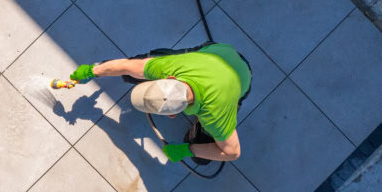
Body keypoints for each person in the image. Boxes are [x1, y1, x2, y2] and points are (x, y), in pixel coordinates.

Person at [69, 43, 251, 164]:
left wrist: (189, 149)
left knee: (202, 157)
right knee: (138, 66)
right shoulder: (167, 66)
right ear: (170, 78)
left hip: (241, 79)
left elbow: (233, 152)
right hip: (218, 53)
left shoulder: (215, 116)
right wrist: (92, 71)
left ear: (171, 114)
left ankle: (198, 135)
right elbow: (127, 66)